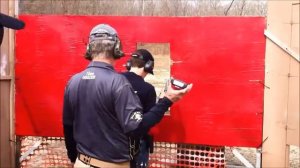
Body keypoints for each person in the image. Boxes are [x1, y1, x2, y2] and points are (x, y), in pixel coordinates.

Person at [63, 23, 192, 168]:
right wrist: (167, 100)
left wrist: (74, 159)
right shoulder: (119, 84)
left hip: (81, 162)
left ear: (89, 48)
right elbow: (137, 128)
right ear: (116, 48)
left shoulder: (73, 82)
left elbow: (68, 126)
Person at [123, 49, 156, 168]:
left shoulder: (114, 80)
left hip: (112, 141)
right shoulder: (148, 89)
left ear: (129, 64)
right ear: (147, 66)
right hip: (137, 142)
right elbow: (148, 120)